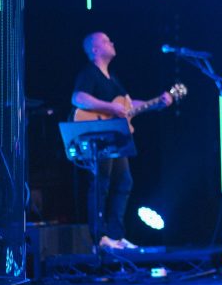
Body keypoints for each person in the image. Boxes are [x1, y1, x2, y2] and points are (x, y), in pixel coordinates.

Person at [71, 32, 173, 250]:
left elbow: (127, 105)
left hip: (115, 139)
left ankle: (115, 236)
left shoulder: (113, 78)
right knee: (102, 183)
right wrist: (110, 108)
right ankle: (99, 237)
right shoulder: (90, 73)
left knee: (124, 182)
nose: (112, 42)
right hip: (99, 138)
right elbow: (78, 98)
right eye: (107, 40)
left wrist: (155, 103)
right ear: (95, 49)